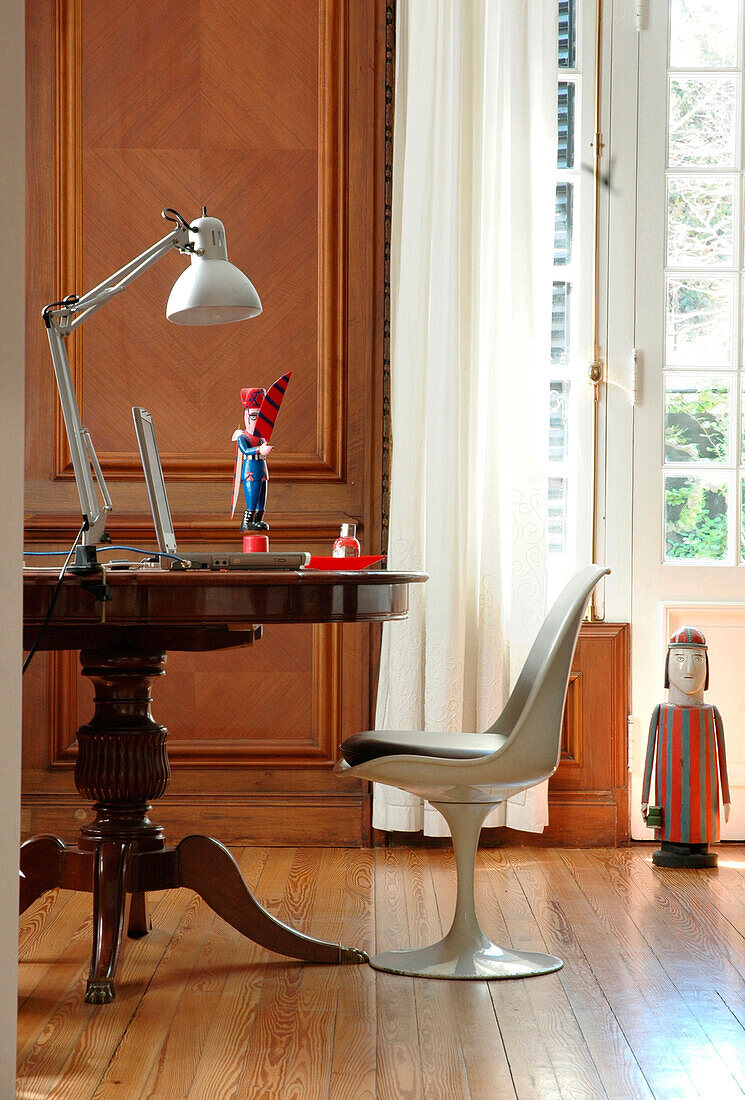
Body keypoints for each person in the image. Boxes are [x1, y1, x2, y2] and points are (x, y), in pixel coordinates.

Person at [641, 626, 731, 867]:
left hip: (705, 797)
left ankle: (701, 843)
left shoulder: (711, 712)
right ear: (668, 664)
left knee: (700, 810)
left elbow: (721, 759)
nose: (688, 669)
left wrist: (726, 798)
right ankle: (671, 843)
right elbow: (650, 757)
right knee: (672, 809)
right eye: (680, 659)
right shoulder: (662, 711)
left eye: (697, 659)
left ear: (707, 666)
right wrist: (644, 798)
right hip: (668, 795)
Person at [232, 387, 273, 533]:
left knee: (262, 496)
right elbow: (245, 450)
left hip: (261, 469)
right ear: (247, 416)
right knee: (253, 495)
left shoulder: (261, 436)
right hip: (251, 470)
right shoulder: (243, 436)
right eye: (255, 416)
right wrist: (259, 450)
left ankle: (259, 519)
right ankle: (248, 521)